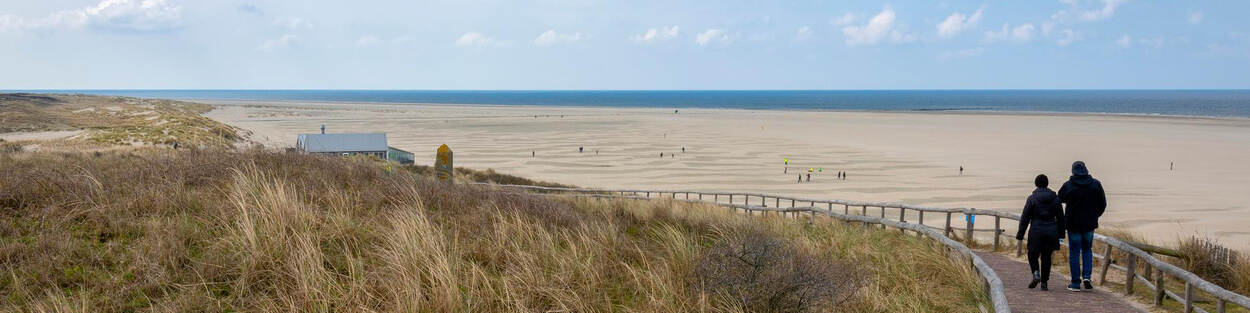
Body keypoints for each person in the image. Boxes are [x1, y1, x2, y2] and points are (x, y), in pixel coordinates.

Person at [1058, 161, 1107, 292]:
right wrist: (1095, 215)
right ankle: (1087, 277)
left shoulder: (1068, 185)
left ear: (1073, 171)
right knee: (1087, 250)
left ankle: (1075, 283)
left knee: (1074, 251)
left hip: (1073, 224)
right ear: (1086, 169)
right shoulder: (1096, 184)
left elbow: (1060, 198)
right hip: (1089, 224)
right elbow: (1103, 203)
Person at [1017, 174, 1066, 291]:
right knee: (1046, 257)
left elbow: (1025, 218)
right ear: (1047, 183)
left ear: (1036, 184)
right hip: (1051, 231)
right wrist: (1061, 234)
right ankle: (1044, 283)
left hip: (1036, 231)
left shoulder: (1032, 199)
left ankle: (1035, 273)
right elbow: (1061, 218)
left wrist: (1020, 234)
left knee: (1032, 254)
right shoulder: (1056, 199)